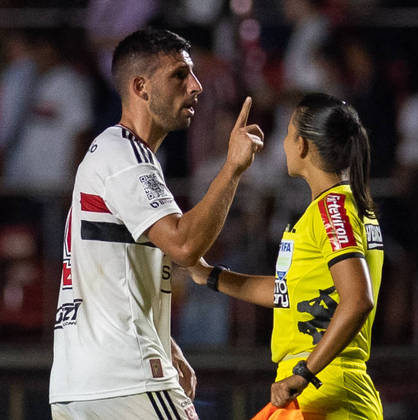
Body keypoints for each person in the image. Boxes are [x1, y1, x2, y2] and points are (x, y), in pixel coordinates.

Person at [49, 28, 264, 419]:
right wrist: (232, 168)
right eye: (180, 75)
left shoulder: (117, 156)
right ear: (141, 87)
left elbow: (118, 274)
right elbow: (184, 245)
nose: (196, 86)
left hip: (80, 383)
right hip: (126, 379)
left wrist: (165, 343)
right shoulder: (124, 155)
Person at [186, 93, 384, 419]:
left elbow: (358, 299)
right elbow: (287, 293)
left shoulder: (333, 209)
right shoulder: (338, 208)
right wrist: (209, 275)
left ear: (303, 145)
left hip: (323, 391)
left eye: (288, 134)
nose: (283, 144)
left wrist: (305, 372)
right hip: (321, 388)